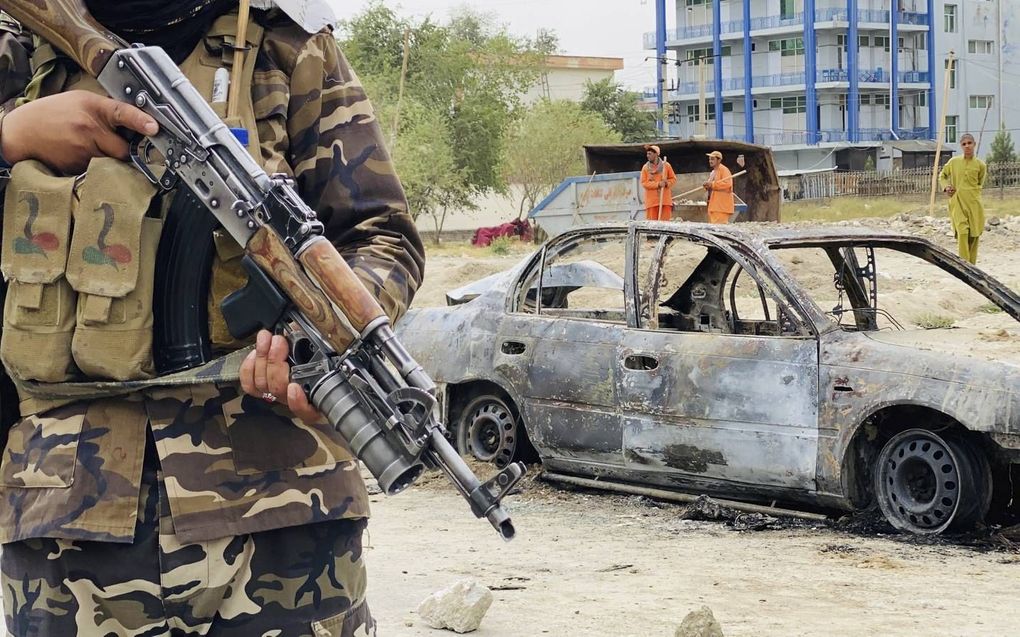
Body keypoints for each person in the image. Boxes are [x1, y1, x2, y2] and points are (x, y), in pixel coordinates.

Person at [0, 2, 424, 635]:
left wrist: (328, 340)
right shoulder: (19, 44)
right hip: (68, 519)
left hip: (284, 516)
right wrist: (12, 139)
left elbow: (380, 234)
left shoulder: (290, 43)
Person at [939, 133, 986, 264]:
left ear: (974, 144)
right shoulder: (953, 162)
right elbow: (942, 176)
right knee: (962, 232)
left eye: (969, 143)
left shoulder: (980, 165)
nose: (967, 146)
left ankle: (973, 267)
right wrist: (947, 187)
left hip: (974, 204)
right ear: (961, 146)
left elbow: (980, 183)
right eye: (964, 144)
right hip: (957, 203)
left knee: (974, 235)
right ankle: (964, 266)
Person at [640, 144, 676, 221]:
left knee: (665, 226)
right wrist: (658, 184)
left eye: (650, 154)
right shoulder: (645, 168)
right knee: (652, 227)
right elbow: (644, 183)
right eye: (647, 154)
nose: (647, 156)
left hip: (665, 201)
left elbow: (673, 179)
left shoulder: (666, 166)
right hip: (652, 202)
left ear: (656, 154)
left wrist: (666, 183)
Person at [703, 150, 735, 224]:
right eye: (709, 159)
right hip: (714, 206)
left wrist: (712, 184)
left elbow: (727, 184)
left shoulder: (724, 170)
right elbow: (711, 186)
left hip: (721, 206)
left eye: (712, 159)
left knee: (719, 229)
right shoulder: (713, 172)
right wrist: (707, 186)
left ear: (719, 160)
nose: (710, 161)